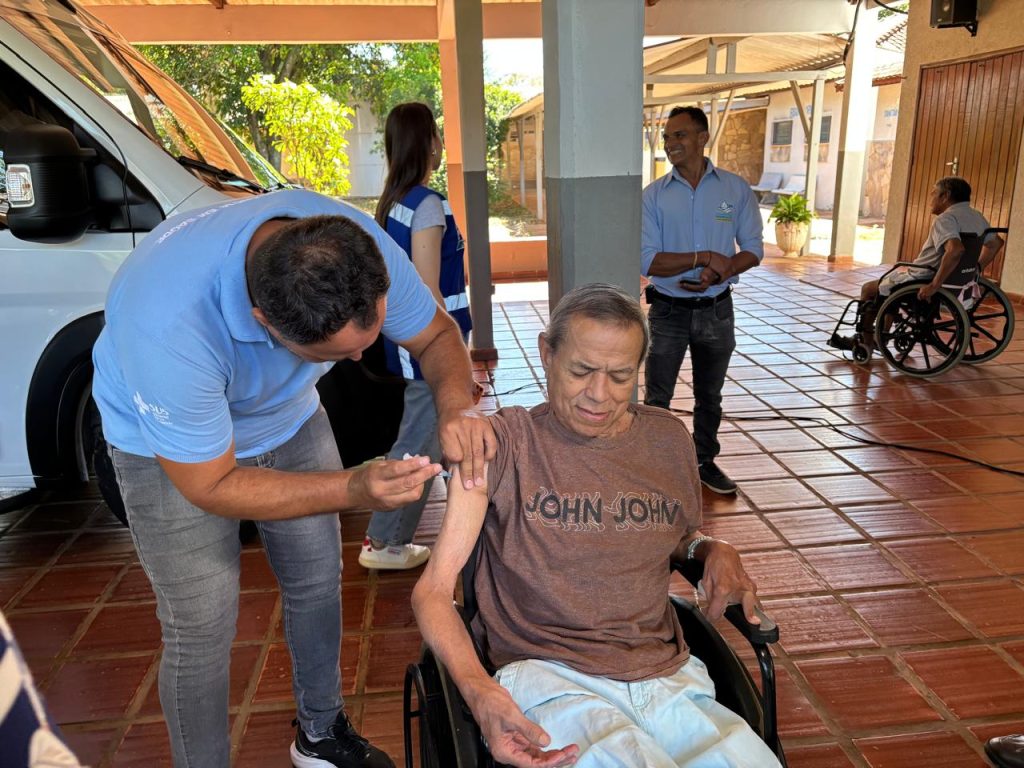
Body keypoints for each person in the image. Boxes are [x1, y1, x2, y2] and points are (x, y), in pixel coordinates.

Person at [91, 188, 496, 768]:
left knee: (316, 579)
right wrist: (354, 487)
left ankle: (321, 733)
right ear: (265, 321)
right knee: (201, 624)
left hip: (289, 417)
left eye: (368, 340)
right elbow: (211, 484)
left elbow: (434, 335)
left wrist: (456, 410)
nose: (356, 361)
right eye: (332, 353)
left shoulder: (353, 244)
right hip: (168, 448)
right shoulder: (165, 323)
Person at [412, 283, 781, 768]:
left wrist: (711, 549)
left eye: (620, 376)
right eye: (581, 371)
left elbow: (674, 539)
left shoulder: (667, 440)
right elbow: (433, 592)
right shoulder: (504, 444)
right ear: (547, 354)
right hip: (549, 679)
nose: (599, 395)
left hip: (668, 677)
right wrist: (479, 693)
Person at [358, 102, 473, 571]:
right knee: (418, 444)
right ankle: (383, 542)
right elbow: (430, 293)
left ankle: (461, 520)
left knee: (432, 438)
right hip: (430, 347)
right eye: (436, 134)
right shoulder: (426, 204)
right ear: (430, 144)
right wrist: (452, 356)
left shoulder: (396, 202)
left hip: (411, 343)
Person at [641, 105, 764, 496]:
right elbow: (649, 262)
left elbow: (753, 248)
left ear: (702, 137)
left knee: (709, 395)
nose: (670, 144)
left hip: (716, 310)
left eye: (679, 135)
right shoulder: (653, 197)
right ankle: (657, 468)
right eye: (667, 137)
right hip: (668, 311)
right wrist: (703, 258)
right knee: (657, 397)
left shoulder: (734, 190)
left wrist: (720, 271)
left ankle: (703, 461)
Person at [830, 176, 1005, 353]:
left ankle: (866, 341)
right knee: (891, 283)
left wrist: (934, 285)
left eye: (934, 193)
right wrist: (975, 269)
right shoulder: (977, 217)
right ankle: (882, 335)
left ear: (945, 196)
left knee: (869, 289)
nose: (931, 198)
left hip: (924, 277)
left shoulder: (946, 219)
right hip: (956, 284)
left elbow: (955, 250)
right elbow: (996, 243)